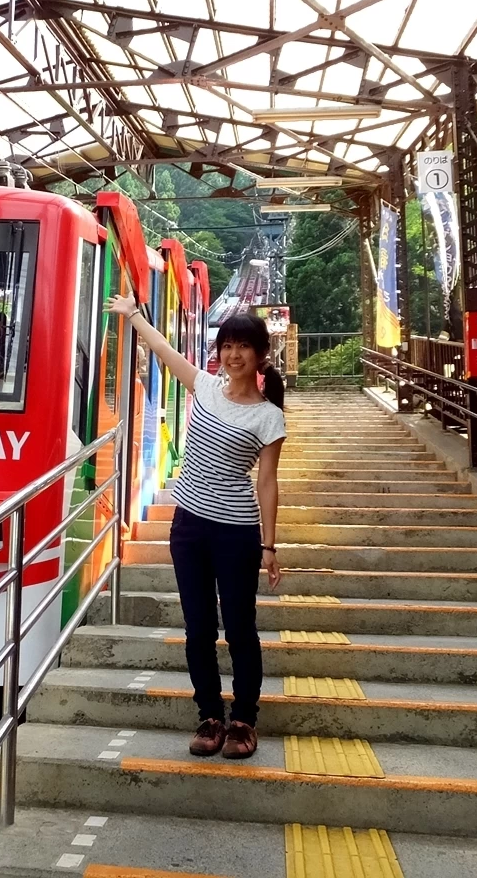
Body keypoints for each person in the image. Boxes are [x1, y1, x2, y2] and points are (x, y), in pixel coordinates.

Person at [105, 294, 285, 760]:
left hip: (237, 533)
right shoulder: (204, 386)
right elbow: (164, 351)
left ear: (260, 356)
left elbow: (266, 482)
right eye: (227, 345)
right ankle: (209, 716)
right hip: (189, 527)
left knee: (240, 628)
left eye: (244, 346)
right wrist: (136, 316)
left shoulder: (269, 416)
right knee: (198, 626)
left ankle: (244, 720)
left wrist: (269, 545)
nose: (234, 354)